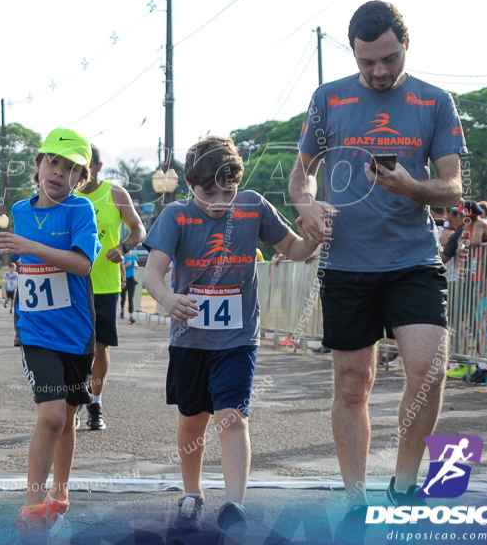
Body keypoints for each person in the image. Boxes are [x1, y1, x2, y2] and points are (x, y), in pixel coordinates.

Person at [288, 1, 465, 515]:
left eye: (389, 58)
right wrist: (306, 205)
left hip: (412, 259)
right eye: (368, 63)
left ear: (405, 45)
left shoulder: (434, 102)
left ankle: (405, 488)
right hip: (346, 262)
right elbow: (303, 175)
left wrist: (413, 186)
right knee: (351, 381)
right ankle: (355, 497)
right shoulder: (329, 99)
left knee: (430, 368)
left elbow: (453, 188)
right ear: (355, 55)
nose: (380, 71)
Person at [143, 136, 321, 533]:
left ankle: (235, 505)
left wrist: (316, 235)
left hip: (238, 338)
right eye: (210, 192)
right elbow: (153, 273)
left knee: (231, 417)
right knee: (193, 420)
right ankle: (192, 491)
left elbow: (294, 249)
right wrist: (169, 299)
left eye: (229, 189)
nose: (221, 200)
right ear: (190, 182)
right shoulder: (175, 215)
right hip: (190, 339)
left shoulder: (253, 206)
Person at [0, 127, 100, 544]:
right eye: (52, 162)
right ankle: (33, 505)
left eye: (70, 168)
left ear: (80, 179)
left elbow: (81, 265)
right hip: (35, 331)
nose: (58, 173)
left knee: (68, 416)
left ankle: (61, 492)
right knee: (51, 414)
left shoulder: (80, 211)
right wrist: (20, 254)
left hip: (76, 332)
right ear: (37, 165)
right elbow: (22, 259)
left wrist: (29, 248)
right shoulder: (20, 210)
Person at [74, 145, 146, 431]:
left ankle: (95, 402)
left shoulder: (114, 193)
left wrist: (124, 247)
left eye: (84, 165)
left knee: (100, 346)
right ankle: (74, 400)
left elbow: (139, 228)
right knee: (75, 346)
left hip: (105, 285)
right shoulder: (67, 196)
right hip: (73, 282)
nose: (78, 172)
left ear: (98, 166)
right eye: (74, 165)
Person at [121, 249, 138, 322]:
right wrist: (126, 265)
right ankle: (122, 310)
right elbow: (121, 268)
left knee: (130, 298)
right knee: (123, 298)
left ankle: (131, 316)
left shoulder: (134, 257)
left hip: (131, 280)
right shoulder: (122, 257)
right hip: (124, 279)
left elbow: (136, 263)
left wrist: (136, 266)